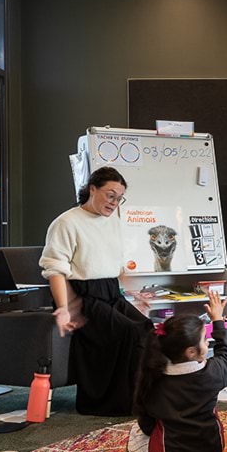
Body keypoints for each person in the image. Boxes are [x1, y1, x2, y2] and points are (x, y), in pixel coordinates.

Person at [40, 166, 151, 416]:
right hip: (83, 296)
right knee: (129, 332)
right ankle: (109, 404)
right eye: (110, 195)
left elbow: (112, 266)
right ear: (92, 189)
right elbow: (55, 269)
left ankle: (139, 397)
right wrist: (64, 309)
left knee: (146, 328)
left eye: (119, 198)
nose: (114, 202)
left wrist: (134, 296)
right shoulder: (66, 222)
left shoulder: (113, 222)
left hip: (111, 292)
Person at [127, 290, 227, 452]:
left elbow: (146, 424)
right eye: (204, 339)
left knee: (136, 434)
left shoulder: (153, 378)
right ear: (191, 352)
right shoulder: (213, 374)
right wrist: (217, 320)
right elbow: (226, 353)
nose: (207, 344)